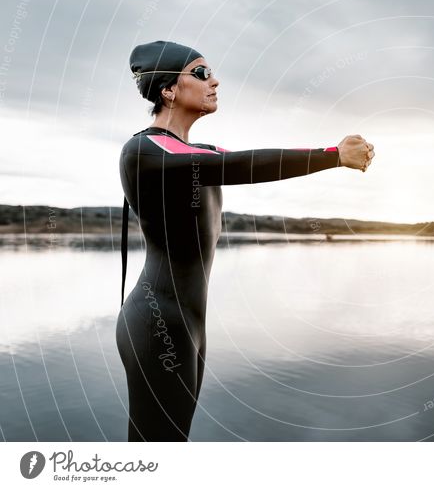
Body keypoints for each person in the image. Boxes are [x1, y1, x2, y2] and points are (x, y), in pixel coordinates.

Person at [116, 40, 374, 441]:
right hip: (158, 322)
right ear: (167, 89)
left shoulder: (194, 150)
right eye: (201, 73)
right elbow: (238, 165)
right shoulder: (144, 149)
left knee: (170, 443)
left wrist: (329, 154)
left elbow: (255, 159)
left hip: (189, 324)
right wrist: (333, 155)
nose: (214, 81)